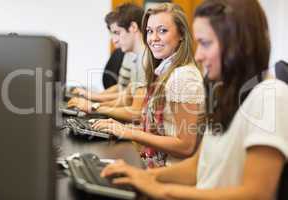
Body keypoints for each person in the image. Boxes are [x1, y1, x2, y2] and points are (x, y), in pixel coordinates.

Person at [98, 0, 288, 199]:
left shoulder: (271, 96)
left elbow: (256, 194)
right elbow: (197, 166)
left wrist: (161, 189)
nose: (198, 55)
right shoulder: (224, 95)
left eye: (205, 43)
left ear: (239, 42)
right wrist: (143, 176)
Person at [93, 3, 205, 167]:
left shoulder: (184, 76)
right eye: (150, 31)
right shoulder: (165, 71)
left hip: (171, 174)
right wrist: (120, 128)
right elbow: (162, 132)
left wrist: (128, 132)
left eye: (162, 31)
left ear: (181, 34)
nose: (153, 38)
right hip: (155, 165)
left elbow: (185, 146)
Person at [68, 3, 147, 122]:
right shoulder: (137, 58)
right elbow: (126, 97)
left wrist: (94, 107)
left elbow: (136, 113)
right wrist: (94, 103)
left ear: (133, 27)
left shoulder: (144, 60)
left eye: (117, 33)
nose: (114, 40)